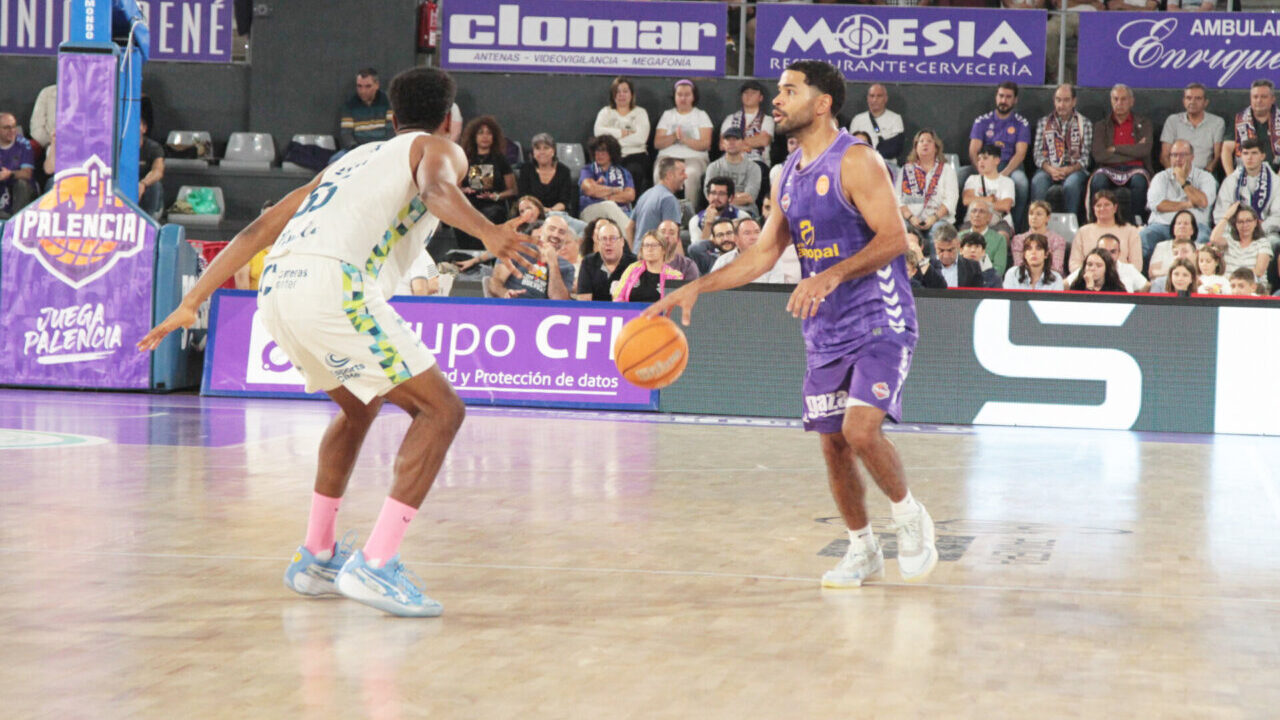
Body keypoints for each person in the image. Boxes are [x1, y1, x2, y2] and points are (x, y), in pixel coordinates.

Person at [138, 67, 531, 617]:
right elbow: (438, 190)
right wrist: (489, 231)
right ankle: (376, 564)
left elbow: (258, 229)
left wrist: (193, 300)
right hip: (334, 285)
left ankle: (317, 556)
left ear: (390, 118)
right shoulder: (439, 148)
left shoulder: (348, 161)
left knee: (359, 407)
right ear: (450, 120)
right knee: (442, 410)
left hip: (277, 288)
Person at [647, 61, 939, 589]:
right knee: (833, 445)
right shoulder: (785, 175)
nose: (776, 100)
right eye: (778, 91)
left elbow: (896, 238)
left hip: (879, 318)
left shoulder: (857, 159)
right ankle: (862, 549)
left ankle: (909, 515)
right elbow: (763, 255)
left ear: (822, 103)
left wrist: (830, 274)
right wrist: (697, 286)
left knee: (858, 429)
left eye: (789, 91)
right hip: (824, 329)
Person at [961, 82, 1031, 230]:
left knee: (1021, 182)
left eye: (1008, 97)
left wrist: (1002, 175)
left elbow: (1020, 153)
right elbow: (973, 150)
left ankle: (1015, 228)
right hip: (984, 163)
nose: (1003, 100)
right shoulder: (982, 121)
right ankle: (962, 221)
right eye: (1001, 96)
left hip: (1010, 164)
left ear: (1015, 100)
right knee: (961, 175)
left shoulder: (1021, 123)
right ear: (996, 97)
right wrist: (981, 169)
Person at [1141, 139, 1217, 262]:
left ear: (1192, 157)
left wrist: (1182, 181)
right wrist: (1188, 204)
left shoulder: (1205, 177)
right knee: (1144, 236)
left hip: (1195, 226)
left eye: (1183, 155)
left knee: (1203, 239)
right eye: (1174, 155)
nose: (1178, 159)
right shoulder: (1160, 177)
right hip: (1162, 225)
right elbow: (1158, 205)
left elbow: (1203, 202)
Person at [1090, 84, 1153, 224]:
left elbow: (1144, 151)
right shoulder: (1101, 125)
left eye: (1123, 99)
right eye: (1115, 99)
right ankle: (1097, 221)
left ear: (1132, 101)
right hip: (1108, 168)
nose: (1119, 103)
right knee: (1098, 180)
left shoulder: (1144, 123)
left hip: (1136, 168)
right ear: (1111, 101)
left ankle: (1137, 222)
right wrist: (1133, 150)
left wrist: (1114, 148)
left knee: (1139, 181)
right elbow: (1099, 155)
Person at [1031, 83, 1091, 216]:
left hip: (1074, 169)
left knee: (1072, 184)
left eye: (1066, 100)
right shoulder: (1044, 122)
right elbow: (1037, 154)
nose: (1061, 105)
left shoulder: (1085, 124)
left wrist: (1069, 169)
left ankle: (1071, 223)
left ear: (1074, 101)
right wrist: (1050, 169)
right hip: (1048, 168)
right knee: (1038, 181)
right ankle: (1037, 223)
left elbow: (1085, 157)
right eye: (1058, 100)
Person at [457, 115, 516, 248]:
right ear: (474, 136)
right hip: (469, 204)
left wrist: (496, 196)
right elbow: (457, 188)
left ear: (494, 137)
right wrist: (465, 190)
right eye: (481, 133)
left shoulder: (500, 159)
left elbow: (512, 190)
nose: (485, 136)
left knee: (492, 215)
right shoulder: (465, 159)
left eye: (489, 133)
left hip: (493, 205)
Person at [1214, 138, 1280, 252]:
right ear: (1241, 156)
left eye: (1254, 153)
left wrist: (1256, 228)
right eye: (1245, 153)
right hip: (1234, 232)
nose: (1249, 157)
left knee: (1273, 242)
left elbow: (1277, 215)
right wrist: (1239, 229)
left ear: (1262, 156)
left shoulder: (1276, 182)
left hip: (1265, 233)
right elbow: (1220, 214)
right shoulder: (1231, 181)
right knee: (1219, 243)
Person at [896, 129, 958, 250]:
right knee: (902, 229)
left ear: (936, 147)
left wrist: (934, 218)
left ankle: (936, 262)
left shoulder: (947, 170)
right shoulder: (907, 170)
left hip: (938, 219)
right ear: (916, 147)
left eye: (929, 141)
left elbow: (951, 199)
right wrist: (910, 217)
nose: (925, 144)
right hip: (911, 220)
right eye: (921, 141)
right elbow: (898, 199)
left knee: (940, 233)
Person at [654, 78, 713, 201]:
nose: (683, 98)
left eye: (687, 95)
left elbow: (705, 144)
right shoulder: (668, 115)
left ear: (693, 97)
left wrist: (684, 139)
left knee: (691, 175)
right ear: (675, 97)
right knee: (659, 174)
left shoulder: (701, 115)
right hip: (668, 157)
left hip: (694, 158)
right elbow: (658, 143)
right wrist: (674, 136)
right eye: (679, 95)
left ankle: (690, 210)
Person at [489, 219, 575, 300]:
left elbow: (559, 301)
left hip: (542, 310)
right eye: (552, 229)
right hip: (512, 305)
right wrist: (505, 294)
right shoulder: (518, 248)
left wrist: (553, 263)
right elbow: (495, 282)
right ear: (541, 230)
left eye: (561, 232)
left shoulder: (567, 267)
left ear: (565, 237)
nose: (556, 235)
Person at [594, 76, 652, 196]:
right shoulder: (606, 112)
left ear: (631, 94)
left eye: (625, 91)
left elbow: (641, 138)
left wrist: (612, 141)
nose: (621, 95)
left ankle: (630, 203)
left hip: (635, 155)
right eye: (618, 91)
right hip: (610, 155)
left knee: (633, 171)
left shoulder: (640, 113)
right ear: (613, 95)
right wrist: (621, 133)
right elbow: (598, 132)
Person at [710, 217, 800, 283]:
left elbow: (775, 295)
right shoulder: (723, 261)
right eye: (747, 233)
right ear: (736, 239)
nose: (754, 237)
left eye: (757, 232)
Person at [578, 134, 635, 238]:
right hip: (591, 210)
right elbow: (590, 190)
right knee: (609, 206)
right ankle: (632, 242)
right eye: (597, 151)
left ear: (612, 153)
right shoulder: (588, 170)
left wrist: (604, 195)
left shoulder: (623, 172)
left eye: (603, 151)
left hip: (620, 212)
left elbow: (630, 196)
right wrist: (615, 190)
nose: (599, 154)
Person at [1069, 190, 1141, 272]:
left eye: (1107, 205)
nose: (1102, 208)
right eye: (1098, 205)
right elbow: (1074, 263)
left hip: (1122, 276)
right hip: (1090, 276)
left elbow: (1137, 265)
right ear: (1093, 209)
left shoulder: (1130, 231)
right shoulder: (1083, 231)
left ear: (1115, 208)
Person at [1159, 83, 1223, 174]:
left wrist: (1206, 173)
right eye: (1188, 98)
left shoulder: (1217, 122)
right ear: (1184, 101)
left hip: (1204, 173)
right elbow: (1164, 157)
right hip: (1177, 172)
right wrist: (1175, 175)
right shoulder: (1172, 120)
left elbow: (1217, 157)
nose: (1192, 102)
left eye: (1198, 98)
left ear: (1206, 102)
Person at [721, 79, 776, 182]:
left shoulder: (767, 120)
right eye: (746, 93)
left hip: (757, 161)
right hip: (730, 160)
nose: (748, 96)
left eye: (753, 93)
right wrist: (751, 142)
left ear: (760, 98)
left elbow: (764, 140)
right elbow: (722, 144)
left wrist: (734, 143)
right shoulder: (730, 118)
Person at [1222, 79, 1279, 176]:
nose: (1259, 100)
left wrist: (1277, 181)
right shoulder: (1238, 120)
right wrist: (1231, 178)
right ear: (1250, 99)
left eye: (1264, 97)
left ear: (1272, 99)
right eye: (1255, 97)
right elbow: (1227, 150)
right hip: (1243, 175)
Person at [629, 157, 686, 249]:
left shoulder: (645, 195)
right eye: (682, 172)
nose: (686, 176)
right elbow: (672, 238)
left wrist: (634, 252)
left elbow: (629, 227)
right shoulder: (669, 199)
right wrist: (680, 259)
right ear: (669, 175)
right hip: (655, 255)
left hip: (639, 254)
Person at [703, 127, 762, 217]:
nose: (731, 142)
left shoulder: (754, 168)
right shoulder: (713, 167)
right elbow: (709, 195)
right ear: (723, 143)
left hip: (746, 213)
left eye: (735, 139)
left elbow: (749, 197)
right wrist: (738, 197)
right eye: (728, 139)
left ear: (743, 142)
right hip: (718, 212)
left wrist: (721, 198)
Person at [962, 145, 1015, 242]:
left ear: (997, 160)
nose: (981, 162)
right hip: (973, 221)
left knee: (1002, 237)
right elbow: (967, 200)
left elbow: (1005, 206)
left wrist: (977, 201)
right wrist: (989, 200)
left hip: (998, 222)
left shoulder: (1007, 182)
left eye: (985, 158)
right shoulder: (972, 179)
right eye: (979, 159)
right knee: (963, 237)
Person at [614, 230, 684, 302]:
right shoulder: (632, 269)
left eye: (654, 245)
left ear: (664, 250)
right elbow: (618, 296)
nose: (650, 249)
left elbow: (675, 305)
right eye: (646, 245)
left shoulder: (674, 276)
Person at [575, 218, 636, 301]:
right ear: (598, 242)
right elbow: (584, 301)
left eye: (613, 238)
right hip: (596, 309)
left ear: (622, 242)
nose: (608, 243)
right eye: (604, 239)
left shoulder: (635, 264)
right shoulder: (588, 262)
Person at [848, 83, 905, 169]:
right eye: (872, 96)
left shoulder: (895, 119)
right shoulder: (857, 120)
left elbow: (896, 148)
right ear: (867, 98)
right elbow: (851, 147)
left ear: (885, 98)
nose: (875, 100)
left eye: (879, 96)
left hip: (887, 165)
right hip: (861, 164)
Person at [517, 133, 576, 215]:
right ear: (533, 152)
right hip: (531, 213)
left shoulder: (564, 171)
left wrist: (550, 211)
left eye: (546, 148)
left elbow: (564, 202)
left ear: (553, 151)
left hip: (557, 213)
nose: (542, 152)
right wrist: (540, 210)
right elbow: (524, 198)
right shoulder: (526, 169)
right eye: (538, 148)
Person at [1211, 203, 1273, 279]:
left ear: (1255, 222)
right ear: (1235, 224)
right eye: (1240, 222)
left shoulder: (1263, 243)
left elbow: (1258, 272)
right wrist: (1227, 216)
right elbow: (1214, 239)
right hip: (1228, 284)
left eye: (1248, 221)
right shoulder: (1229, 241)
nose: (1245, 225)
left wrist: (1235, 278)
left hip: (1252, 284)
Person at [338, 68, 393, 150]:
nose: (363, 91)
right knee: (336, 157)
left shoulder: (388, 101)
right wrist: (354, 148)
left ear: (377, 85)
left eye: (368, 86)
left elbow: (391, 130)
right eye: (359, 86)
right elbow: (346, 133)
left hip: (382, 148)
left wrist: (383, 149)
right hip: (358, 149)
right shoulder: (349, 105)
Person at [688, 177, 747, 247]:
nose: (716, 197)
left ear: (730, 198)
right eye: (713, 193)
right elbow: (698, 250)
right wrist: (708, 224)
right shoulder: (696, 220)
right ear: (708, 196)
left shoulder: (742, 217)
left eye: (721, 194)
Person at [1012, 200, 1066, 274]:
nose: (1034, 217)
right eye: (1031, 214)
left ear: (1048, 218)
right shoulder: (1018, 240)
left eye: (1039, 214)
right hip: (1024, 277)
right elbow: (1018, 265)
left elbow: (1057, 267)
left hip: (1050, 277)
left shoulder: (1057, 240)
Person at [0, 111, 36, 218]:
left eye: (14, 127)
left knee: (21, 184)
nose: (12, 131)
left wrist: (10, 174)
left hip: (20, 192)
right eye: (7, 128)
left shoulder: (23, 144)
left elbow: (27, 173)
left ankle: (17, 221)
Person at [961, 200, 1010, 277]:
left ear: (990, 217)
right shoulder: (959, 237)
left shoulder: (999, 239)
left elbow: (999, 270)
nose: (977, 214)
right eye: (974, 211)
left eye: (982, 212)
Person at [137, 118, 166, 219]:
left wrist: (143, 184)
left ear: (144, 129)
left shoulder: (153, 148)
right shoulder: (119, 147)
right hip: (126, 185)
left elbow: (158, 171)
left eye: (137, 124)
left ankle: (149, 218)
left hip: (146, 188)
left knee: (155, 185)